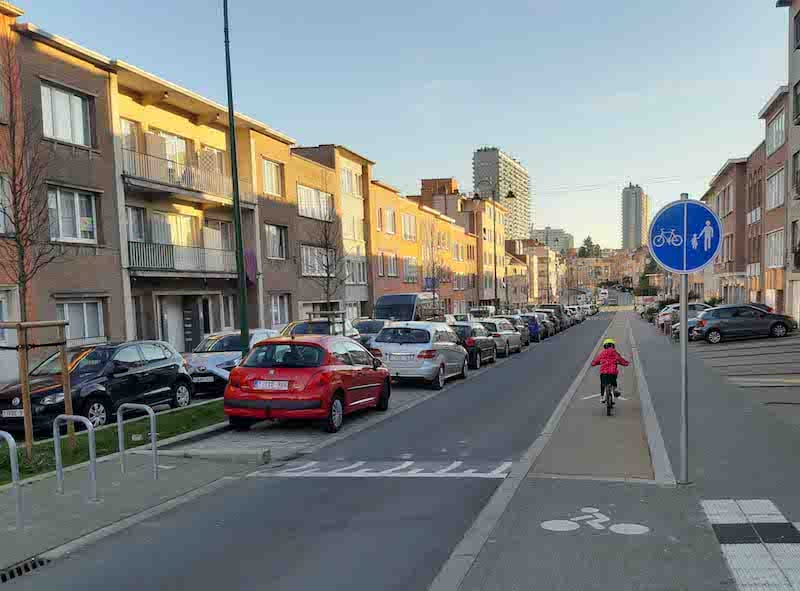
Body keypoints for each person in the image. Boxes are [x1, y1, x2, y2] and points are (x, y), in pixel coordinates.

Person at [591, 338, 630, 403]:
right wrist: (626, 363)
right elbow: (621, 360)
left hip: (604, 372)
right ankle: (614, 391)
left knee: (603, 384)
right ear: (613, 346)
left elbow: (595, 361)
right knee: (614, 383)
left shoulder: (602, 353)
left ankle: (602, 397)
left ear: (605, 346)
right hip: (612, 372)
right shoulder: (615, 353)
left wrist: (594, 363)